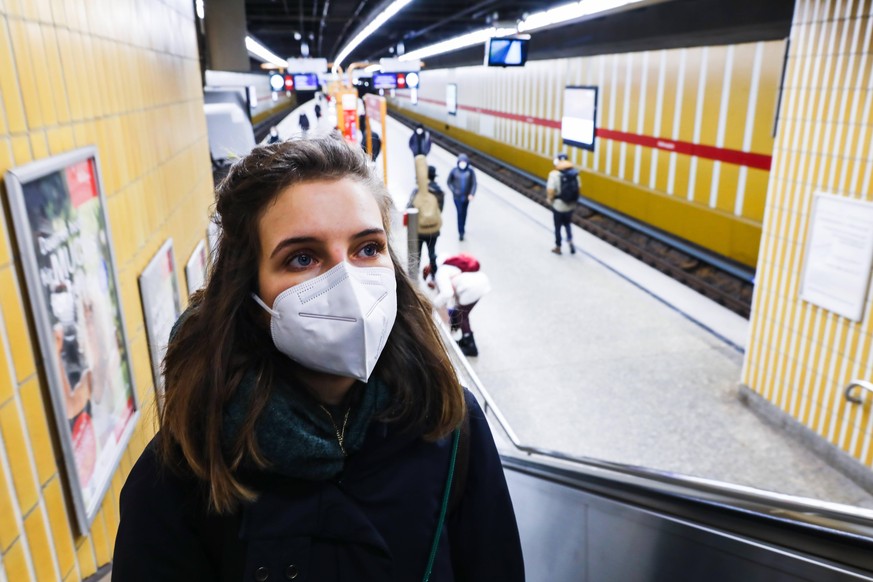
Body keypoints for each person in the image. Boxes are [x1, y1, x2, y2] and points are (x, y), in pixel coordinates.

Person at [112, 136, 524, 581]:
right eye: (302, 258)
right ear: (248, 290)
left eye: (368, 248)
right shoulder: (183, 474)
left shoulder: (450, 425)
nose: (347, 282)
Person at [423, 253, 490, 358]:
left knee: (462, 315)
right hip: (480, 283)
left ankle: (471, 346)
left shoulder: (440, 273)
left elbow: (447, 293)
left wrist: (431, 306)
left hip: (472, 288)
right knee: (461, 313)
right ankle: (465, 339)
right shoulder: (449, 267)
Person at [407, 165, 445, 281]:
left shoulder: (417, 192)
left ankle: (414, 277)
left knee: (416, 254)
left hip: (418, 230)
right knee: (432, 253)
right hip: (433, 230)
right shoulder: (439, 192)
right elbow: (440, 209)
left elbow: (409, 207)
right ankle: (434, 275)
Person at [546, 152, 579, 255]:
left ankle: (558, 247)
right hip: (570, 205)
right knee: (567, 224)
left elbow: (551, 190)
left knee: (558, 227)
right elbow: (578, 188)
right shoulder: (574, 174)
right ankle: (570, 240)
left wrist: (550, 200)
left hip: (558, 205)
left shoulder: (554, 174)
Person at [446, 153, 477, 241]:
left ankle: (463, 226)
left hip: (466, 198)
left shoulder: (470, 172)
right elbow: (449, 182)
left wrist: (472, 194)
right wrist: (454, 190)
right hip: (457, 198)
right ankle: (461, 232)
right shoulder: (454, 171)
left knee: (464, 213)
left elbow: (474, 183)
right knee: (459, 213)